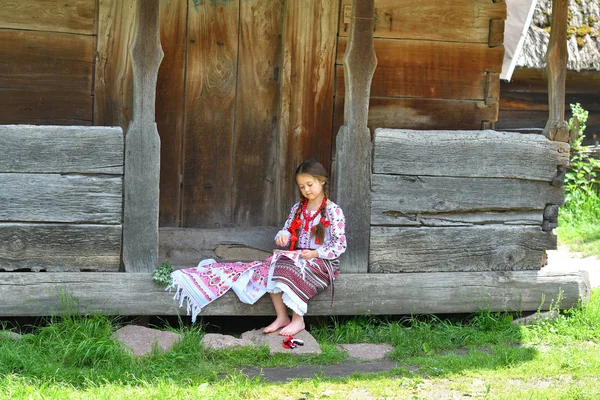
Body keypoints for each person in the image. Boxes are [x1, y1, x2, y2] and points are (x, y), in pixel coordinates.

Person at [169, 159, 346, 336]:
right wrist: (283, 236)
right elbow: (287, 229)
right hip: (300, 255)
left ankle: (298, 320)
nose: (306, 190)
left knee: (290, 269)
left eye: (310, 184)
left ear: (322, 181)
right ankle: (282, 316)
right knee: (270, 266)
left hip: (323, 261)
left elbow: (339, 244)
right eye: (302, 187)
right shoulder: (297, 209)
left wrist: (315, 252)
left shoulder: (333, 211)